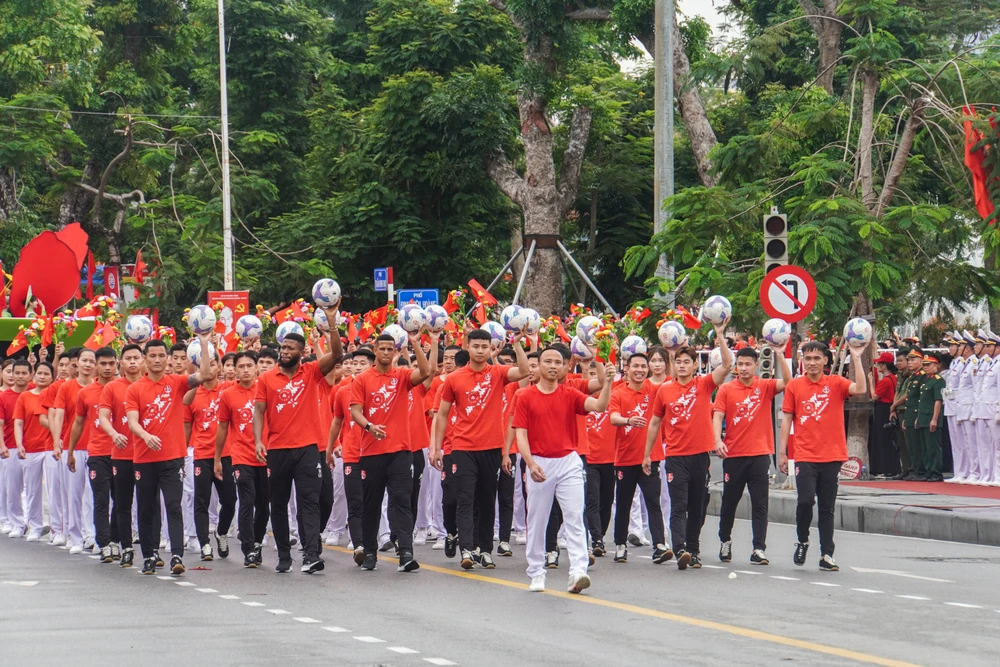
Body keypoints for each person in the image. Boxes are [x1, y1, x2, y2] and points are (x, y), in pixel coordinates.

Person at [513, 347, 614, 593]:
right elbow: (521, 434)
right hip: (539, 461)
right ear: (537, 366)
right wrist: (530, 462)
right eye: (547, 361)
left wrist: (608, 382)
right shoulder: (525, 396)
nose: (552, 366)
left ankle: (578, 572)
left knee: (574, 516)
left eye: (558, 362)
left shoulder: (570, 394)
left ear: (565, 367)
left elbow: (600, 406)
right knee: (538, 520)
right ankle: (536, 572)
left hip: (568, 461)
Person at [253, 317, 344, 574]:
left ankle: (311, 554)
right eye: (283, 347)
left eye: (290, 348)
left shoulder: (313, 372)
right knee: (278, 504)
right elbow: (259, 411)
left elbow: (337, 354)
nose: (284, 352)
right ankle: (284, 555)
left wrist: (331, 324)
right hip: (278, 449)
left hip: (308, 449)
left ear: (302, 352)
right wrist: (259, 440)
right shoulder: (267, 379)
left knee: (311, 501)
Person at [432, 329, 528, 569]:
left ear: (490, 348)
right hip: (463, 448)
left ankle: (484, 550)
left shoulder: (498, 373)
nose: (480, 351)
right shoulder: (454, 378)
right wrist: (436, 448)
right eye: (475, 346)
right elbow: (442, 414)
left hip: (492, 449)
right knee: (465, 500)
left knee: (487, 501)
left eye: (485, 347)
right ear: (467, 346)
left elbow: (525, 372)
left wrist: (517, 344)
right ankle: (466, 550)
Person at [644, 319, 732, 570]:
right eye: (678, 362)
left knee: (698, 506)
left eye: (687, 362)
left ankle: (693, 550)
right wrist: (647, 454)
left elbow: (727, 364)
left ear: (696, 365)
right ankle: (680, 547)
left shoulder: (703, 385)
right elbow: (654, 423)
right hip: (675, 457)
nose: (682, 366)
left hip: (700, 457)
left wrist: (719, 334)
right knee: (678, 504)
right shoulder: (664, 390)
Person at [126, 336, 213, 576]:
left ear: (167, 359)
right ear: (145, 359)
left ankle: (176, 554)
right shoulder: (134, 389)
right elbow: (132, 422)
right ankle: (150, 555)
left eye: (160, 356)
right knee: (147, 508)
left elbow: (205, 375)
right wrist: (146, 436)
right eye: (151, 356)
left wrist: (204, 345)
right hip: (144, 458)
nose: (156, 360)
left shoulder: (176, 383)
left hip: (172, 457)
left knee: (174, 505)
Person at [779, 341, 867, 571]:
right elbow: (787, 419)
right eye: (808, 359)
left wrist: (856, 357)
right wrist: (782, 453)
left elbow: (860, 389)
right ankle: (802, 540)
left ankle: (827, 554)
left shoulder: (835, 383)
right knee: (806, 501)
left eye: (817, 358)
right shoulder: (795, 386)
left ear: (826, 361)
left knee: (827, 507)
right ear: (802, 361)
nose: (812, 363)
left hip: (832, 455)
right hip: (805, 455)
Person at [350, 332, 432, 572]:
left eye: (390, 349)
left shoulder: (403, 376)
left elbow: (426, 372)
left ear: (396, 351)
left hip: (400, 452)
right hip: (372, 452)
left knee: (401, 502)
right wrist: (369, 426)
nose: (386, 353)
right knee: (371, 504)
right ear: (375, 351)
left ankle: (406, 553)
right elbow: (356, 411)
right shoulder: (362, 379)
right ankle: (370, 553)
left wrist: (415, 343)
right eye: (382, 349)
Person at [713, 343, 792, 565]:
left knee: (760, 504)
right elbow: (717, 416)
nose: (744, 368)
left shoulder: (764, 386)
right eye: (740, 364)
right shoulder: (726, 389)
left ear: (757, 365)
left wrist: (779, 354)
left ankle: (759, 548)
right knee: (730, 502)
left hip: (760, 455)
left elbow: (788, 382)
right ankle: (725, 541)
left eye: (748, 364)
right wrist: (718, 440)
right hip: (734, 456)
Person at [609, 353, 671, 564]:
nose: (640, 370)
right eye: (635, 366)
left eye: (643, 366)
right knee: (624, 503)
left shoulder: (655, 390)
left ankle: (659, 545)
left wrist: (671, 354)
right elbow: (613, 418)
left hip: (650, 457)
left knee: (653, 501)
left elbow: (671, 386)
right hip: (625, 458)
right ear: (626, 369)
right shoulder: (618, 393)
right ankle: (620, 544)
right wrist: (628, 420)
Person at [66, 347, 119, 562]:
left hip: (122, 454)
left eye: (111, 363)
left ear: (117, 364)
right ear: (96, 365)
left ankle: (116, 540)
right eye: (103, 364)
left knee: (121, 501)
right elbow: (78, 423)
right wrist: (70, 451)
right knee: (100, 500)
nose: (107, 368)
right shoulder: (85, 393)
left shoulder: (126, 388)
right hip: (97, 453)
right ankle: (103, 543)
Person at [216, 351, 268, 568]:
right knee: (247, 501)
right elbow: (223, 427)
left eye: (249, 365)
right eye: (241, 366)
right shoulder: (228, 394)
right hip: (241, 457)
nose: (245, 370)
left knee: (264, 506)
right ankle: (248, 549)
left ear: (256, 368)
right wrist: (218, 458)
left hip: (266, 456)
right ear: (234, 370)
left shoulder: (265, 389)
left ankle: (256, 542)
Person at [184, 352, 235, 561]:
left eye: (213, 364)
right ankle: (205, 544)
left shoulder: (229, 390)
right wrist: (181, 453)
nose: (208, 369)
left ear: (220, 367)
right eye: (203, 366)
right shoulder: (192, 394)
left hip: (227, 454)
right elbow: (187, 427)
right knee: (201, 501)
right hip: (202, 455)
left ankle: (221, 532)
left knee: (230, 500)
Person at [98, 343, 145, 568]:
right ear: (122, 363)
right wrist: (114, 433)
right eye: (128, 358)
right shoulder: (112, 388)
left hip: (148, 455)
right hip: (122, 454)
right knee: (122, 504)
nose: (133, 362)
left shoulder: (152, 385)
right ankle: (125, 546)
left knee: (149, 505)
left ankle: (151, 549)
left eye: (137, 357)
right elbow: (104, 416)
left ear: (143, 360)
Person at [328, 351, 365, 563]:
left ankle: (383, 535)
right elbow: (335, 420)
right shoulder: (341, 391)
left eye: (361, 363)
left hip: (374, 452)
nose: (356, 367)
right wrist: (333, 445)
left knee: (377, 499)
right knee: (345, 494)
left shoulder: (379, 389)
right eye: (352, 363)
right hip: (347, 451)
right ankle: (340, 530)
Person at [13, 362, 55, 541]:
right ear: (34, 376)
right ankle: (35, 527)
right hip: (30, 448)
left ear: (52, 377)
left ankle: (57, 529)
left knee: (54, 491)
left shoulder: (55, 394)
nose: (43, 376)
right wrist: (19, 443)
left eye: (46, 374)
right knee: (32, 490)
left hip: (51, 447)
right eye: (39, 373)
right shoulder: (24, 397)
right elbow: (18, 422)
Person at [1, 360, 34, 538]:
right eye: (17, 373)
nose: (20, 376)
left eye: (24, 373)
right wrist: (2, 445)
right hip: (11, 447)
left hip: (34, 447)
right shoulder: (4, 396)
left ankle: (32, 523)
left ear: (30, 375)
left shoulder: (36, 392)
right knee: (12, 488)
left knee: (33, 489)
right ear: (12, 374)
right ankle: (16, 523)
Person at [914, 354, 945, 482]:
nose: (925, 367)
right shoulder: (925, 380)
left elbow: (938, 400)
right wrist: (918, 418)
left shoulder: (938, 380)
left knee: (933, 446)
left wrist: (935, 419)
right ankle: (928, 471)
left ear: (936, 366)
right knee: (925, 447)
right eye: (924, 365)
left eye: (928, 365)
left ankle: (936, 472)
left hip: (931, 417)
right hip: (923, 416)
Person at [868, 352, 900, 477]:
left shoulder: (885, 381)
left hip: (883, 408)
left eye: (879, 364)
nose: (877, 366)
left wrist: (871, 382)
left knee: (882, 439)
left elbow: (875, 396)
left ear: (884, 365)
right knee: (888, 439)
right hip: (889, 408)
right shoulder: (894, 378)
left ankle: (885, 468)